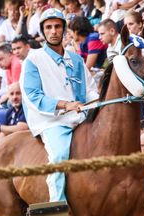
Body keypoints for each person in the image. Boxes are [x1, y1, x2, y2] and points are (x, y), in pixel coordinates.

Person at [20, 8, 98, 202]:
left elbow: (91, 90)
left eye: (57, 26)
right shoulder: (34, 59)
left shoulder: (77, 59)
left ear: (64, 30)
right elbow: (32, 96)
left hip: (80, 117)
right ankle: (57, 207)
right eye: (48, 27)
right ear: (43, 31)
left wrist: (94, 103)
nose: (53, 31)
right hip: (51, 121)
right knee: (60, 155)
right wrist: (66, 105)